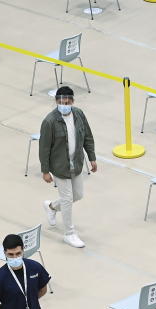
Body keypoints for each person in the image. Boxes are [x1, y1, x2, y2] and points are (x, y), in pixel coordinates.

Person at [38, 85, 96, 249]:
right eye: (61, 101)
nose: (64, 103)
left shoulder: (78, 114)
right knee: (67, 200)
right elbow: (44, 148)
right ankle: (69, 234)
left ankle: (51, 207)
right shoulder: (49, 121)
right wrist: (45, 170)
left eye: (67, 101)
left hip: (76, 163)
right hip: (59, 167)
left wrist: (92, 158)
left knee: (77, 195)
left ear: (72, 101)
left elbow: (88, 136)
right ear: (56, 101)